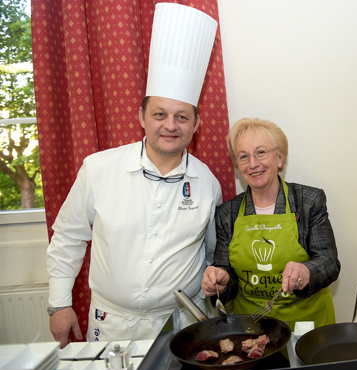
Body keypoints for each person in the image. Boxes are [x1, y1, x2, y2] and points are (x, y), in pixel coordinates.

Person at [46, 4, 221, 348]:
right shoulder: (98, 168)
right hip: (111, 325)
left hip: (182, 323)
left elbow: (213, 254)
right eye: (160, 114)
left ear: (196, 124)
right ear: (141, 116)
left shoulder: (207, 183)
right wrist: (60, 303)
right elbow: (67, 238)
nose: (170, 125)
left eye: (182, 117)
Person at [201, 118, 340, 331]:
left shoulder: (308, 200)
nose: (253, 163)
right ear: (237, 165)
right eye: (244, 156)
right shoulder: (227, 213)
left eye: (261, 152)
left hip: (307, 323)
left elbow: (329, 262)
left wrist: (305, 271)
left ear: (280, 159)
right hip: (252, 325)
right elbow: (226, 272)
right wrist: (221, 280)